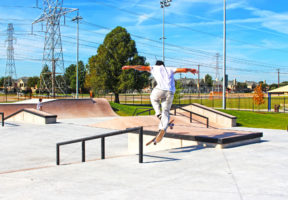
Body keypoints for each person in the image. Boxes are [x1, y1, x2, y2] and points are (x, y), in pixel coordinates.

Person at [122, 60, 197, 143]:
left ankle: (158, 114)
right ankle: (163, 128)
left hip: (160, 90)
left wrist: (130, 67)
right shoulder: (170, 69)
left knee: (153, 97)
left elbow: (141, 67)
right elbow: (184, 69)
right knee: (166, 111)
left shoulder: (154, 68)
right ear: (163, 65)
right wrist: (191, 70)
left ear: (156, 65)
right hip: (170, 92)